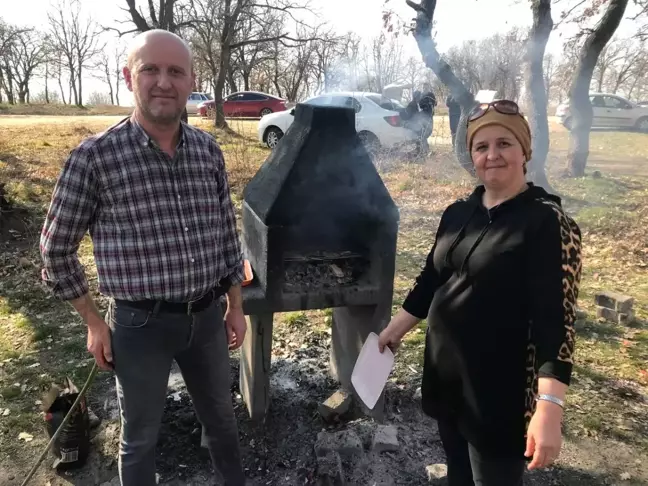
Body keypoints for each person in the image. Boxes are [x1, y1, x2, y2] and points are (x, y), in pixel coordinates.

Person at [40, 29, 247, 486]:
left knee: (223, 423)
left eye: (175, 72)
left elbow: (226, 235)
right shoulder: (94, 158)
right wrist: (94, 323)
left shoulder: (208, 152)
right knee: (140, 440)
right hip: (138, 326)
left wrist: (235, 305)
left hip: (208, 318)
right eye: (150, 69)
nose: (163, 82)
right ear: (128, 76)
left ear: (192, 81)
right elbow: (54, 248)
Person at [378, 100, 582, 486]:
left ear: (525, 150)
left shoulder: (547, 223)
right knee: (457, 474)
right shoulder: (458, 212)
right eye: (481, 146)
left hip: (498, 395)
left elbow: (557, 323)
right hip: (446, 378)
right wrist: (396, 328)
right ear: (471, 155)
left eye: (504, 143)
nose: (492, 155)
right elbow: (431, 279)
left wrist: (549, 407)